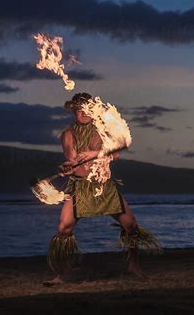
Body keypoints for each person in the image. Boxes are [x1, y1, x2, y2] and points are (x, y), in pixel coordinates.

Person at [43, 92, 161, 286]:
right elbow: (72, 158)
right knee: (63, 228)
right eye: (78, 109)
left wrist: (94, 153)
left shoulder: (104, 129)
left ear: (93, 109)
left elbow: (118, 149)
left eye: (86, 108)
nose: (83, 113)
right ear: (74, 111)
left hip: (104, 185)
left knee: (130, 224)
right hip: (80, 186)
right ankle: (61, 274)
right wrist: (68, 166)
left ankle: (133, 265)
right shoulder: (67, 134)